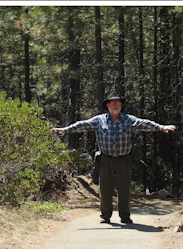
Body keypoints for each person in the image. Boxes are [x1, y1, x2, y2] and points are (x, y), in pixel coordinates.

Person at [52, 92, 176, 224]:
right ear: (107, 105)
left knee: (124, 188)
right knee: (105, 188)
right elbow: (83, 125)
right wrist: (66, 129)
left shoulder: (128, 119)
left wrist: (161, 127)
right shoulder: (99, 120)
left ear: (121, 104)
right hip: (106, 159)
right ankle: (105, 216)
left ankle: (125, 216)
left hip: (124, 159)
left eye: (117, 103)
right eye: (112, 103)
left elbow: (143, 123)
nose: (115, 105)